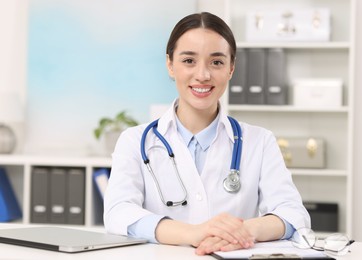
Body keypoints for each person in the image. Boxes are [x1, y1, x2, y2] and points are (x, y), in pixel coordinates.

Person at [104, 12, 310, 255]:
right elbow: (118, 212)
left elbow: (293, 213)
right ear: (170, 65)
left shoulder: (260, 141)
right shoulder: (135, 141)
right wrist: (193, 233)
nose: (202, 75)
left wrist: (244, 230)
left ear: (231, 68)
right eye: (189, 61)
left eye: (217, 62)